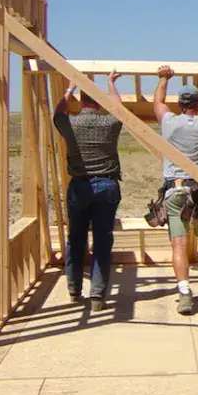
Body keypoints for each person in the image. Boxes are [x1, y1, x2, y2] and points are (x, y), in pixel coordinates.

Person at [153, 65, 198, 315]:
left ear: (180, 104)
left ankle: (184, 293)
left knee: (178, 245)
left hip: (175, 192)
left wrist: (164, 79)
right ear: (196, 103)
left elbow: (158, 101)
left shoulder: (170, 123)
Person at [53, 70, 124, 311]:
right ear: (99, 100)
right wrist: (111, 84)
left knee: (76, 238)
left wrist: (69, 89)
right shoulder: (108, 123)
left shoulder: (72, 124)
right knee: (103, 240)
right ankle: (97, 297)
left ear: (81, 100)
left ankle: (74, 291)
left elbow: (58, 114)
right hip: (106, 186)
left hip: (79, 187)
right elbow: (119, 108)